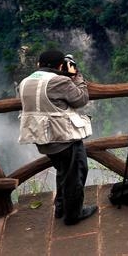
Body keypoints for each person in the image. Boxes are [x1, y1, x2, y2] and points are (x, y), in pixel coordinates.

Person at [18, 49, 96, 225]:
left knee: (63, 173)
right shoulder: (59, 81)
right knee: (75, 175)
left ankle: (61, 207)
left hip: (41, 137)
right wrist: (76, 77)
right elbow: (81, 99)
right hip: (63, 138)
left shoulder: (25, 82)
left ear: (38, 64)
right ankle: (73, 215)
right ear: (61, 65)